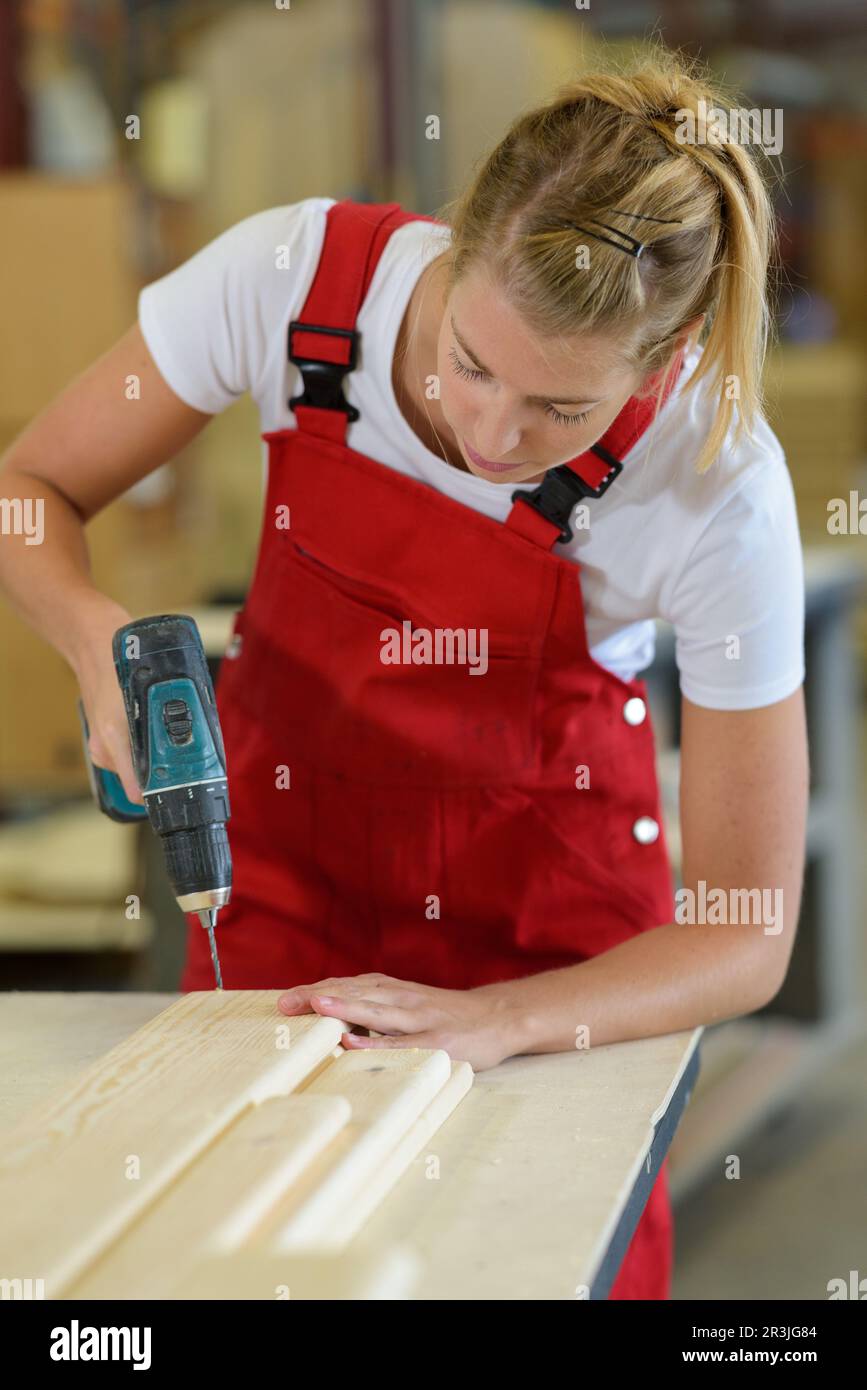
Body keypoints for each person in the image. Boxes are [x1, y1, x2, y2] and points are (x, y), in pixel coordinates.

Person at [0, 51, 808, 1299]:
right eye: (470, 364)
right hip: (285, 916)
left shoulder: (719, 481)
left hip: (552, 964)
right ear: (453, 243)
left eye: (559, 408)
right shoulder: (288, 284)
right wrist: (96, 639)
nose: (493, 438)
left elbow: (747, 932)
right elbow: (26, 494)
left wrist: (503, 1020)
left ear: (668, 354)